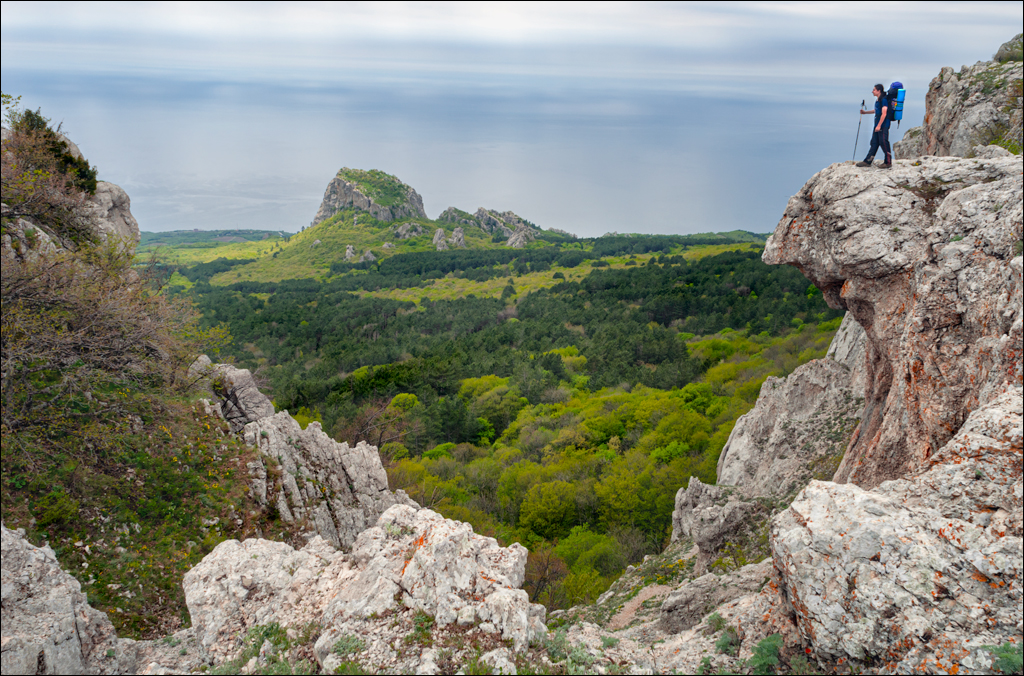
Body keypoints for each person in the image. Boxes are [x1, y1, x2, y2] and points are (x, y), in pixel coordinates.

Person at [856, 84, 892, 169]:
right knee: (874, 142)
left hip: (883, 125)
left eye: (874, 90)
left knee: (883, 142)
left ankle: (888, 162)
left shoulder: (884, 100)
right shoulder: (879, 100)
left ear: (879, 91)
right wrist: (865, 112)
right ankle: (868, 161)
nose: (872, 91)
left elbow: (884, 113)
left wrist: (879, 125)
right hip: (878, 124)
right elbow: (877, 111)